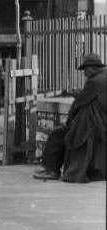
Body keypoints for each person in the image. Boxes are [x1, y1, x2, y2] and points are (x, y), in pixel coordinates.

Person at [34, 53, 106, 183]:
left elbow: (79, 103)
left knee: (58, 134)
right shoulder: (103, 77)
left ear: (90, 68)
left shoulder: (95, 81)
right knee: (65, 133)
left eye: (85, 70)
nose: (84, 74)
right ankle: (52, 169)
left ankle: (52, 170)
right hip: (100, 123)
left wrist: (69, 121)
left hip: (92, 125)